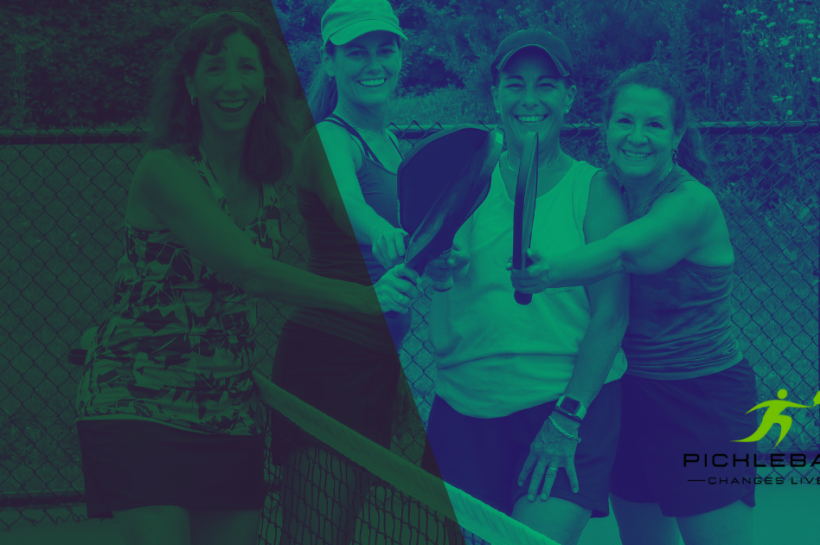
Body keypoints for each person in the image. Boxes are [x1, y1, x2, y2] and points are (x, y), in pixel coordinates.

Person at [74, 12, 418, 545]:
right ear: (189, 84)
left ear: (263, 84)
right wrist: (369, 300)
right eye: (214, 69)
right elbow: (248, 270)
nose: (231, 84)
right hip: (138, 401)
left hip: (228, 409)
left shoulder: (264, 180)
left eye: (246, 69)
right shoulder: (164, 169)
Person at [510, 61, 758, 545]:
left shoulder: (691, 203)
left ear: (677, 133)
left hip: (702, 401)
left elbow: (625, 251)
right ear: (606, 126)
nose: (637, 136)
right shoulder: (607, 191)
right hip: (629, 393)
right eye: (625, 121)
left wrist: (547, 273)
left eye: (654, 124)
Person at [422, 29, 630, 545]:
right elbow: (437, 294)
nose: (530, 99)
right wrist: (439, 273)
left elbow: (611, 315)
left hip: (564, 404)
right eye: (515, 84)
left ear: (568, 95)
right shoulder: (461, 180)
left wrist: (566, 419)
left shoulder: (595, 189)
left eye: (546, 84)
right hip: (465, 409)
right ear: (495, 95)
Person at [270, 1, 430, 544]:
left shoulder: (394, 146)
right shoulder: (330, 139)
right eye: (356, 51)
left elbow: (415, 246)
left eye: (384, 49)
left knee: (343, 531)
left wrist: (438, 258)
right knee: (316, 534)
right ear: (329, 58)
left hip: (375, 362)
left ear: (401, 56)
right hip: (327, 361)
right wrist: (378, 231)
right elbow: (352, 205)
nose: (373, 63)